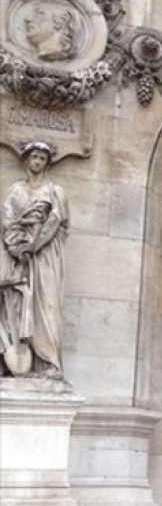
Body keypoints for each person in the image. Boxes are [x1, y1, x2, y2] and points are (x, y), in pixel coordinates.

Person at [0, 141, 69, 378]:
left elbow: (57, 222)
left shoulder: (55, 192)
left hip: (46, 258)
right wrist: (19, 245)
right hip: (18, 257)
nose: (37, 162)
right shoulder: (16, 191)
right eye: (34, 157)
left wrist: (35, 244)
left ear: (47, 163)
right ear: (27, 160)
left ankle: (48, 362)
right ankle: (15, 363)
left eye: (42, 158)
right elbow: (7, 221)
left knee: (47, 306)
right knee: (15, 307)